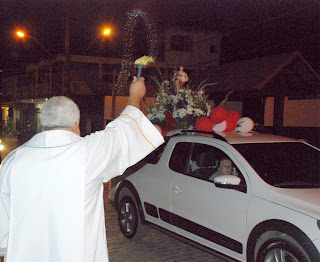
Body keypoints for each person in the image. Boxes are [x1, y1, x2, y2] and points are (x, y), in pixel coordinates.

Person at [0, 76, 164, 262]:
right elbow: (124, 132)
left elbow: (2, 225)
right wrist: (135, 95)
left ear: (42, 125)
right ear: (76, 126)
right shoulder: (88, 153)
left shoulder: (12, 161)